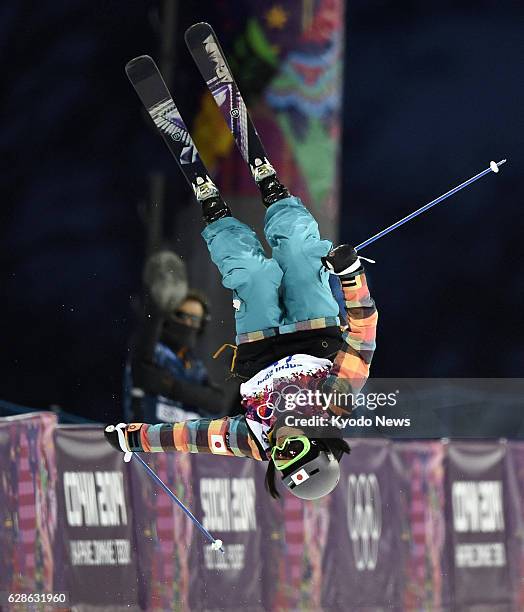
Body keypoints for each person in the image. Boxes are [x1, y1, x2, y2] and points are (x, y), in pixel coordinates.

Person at [107, 167, 378, 500]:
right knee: (296, 255)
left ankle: (217, 217)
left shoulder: (253, 438)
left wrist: (135, 439)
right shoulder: (333, 405)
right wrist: (351, 276)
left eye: (280, 457)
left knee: (253, 275)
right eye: (294, 446)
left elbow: (193, 437)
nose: (280, 443)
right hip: (314, 326)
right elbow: (363, 337)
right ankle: (276, 195)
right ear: (318, 442)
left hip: (260, 342)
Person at [125, 250, 228, 422]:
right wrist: (193, 393)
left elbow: (217, 401)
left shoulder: (194, 365)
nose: (188, 324)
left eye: (194, 319)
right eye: (181, 316)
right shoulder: (153, 351)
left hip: (185, 447)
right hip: (149, 445)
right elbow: (144, 374)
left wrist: (171, 386)